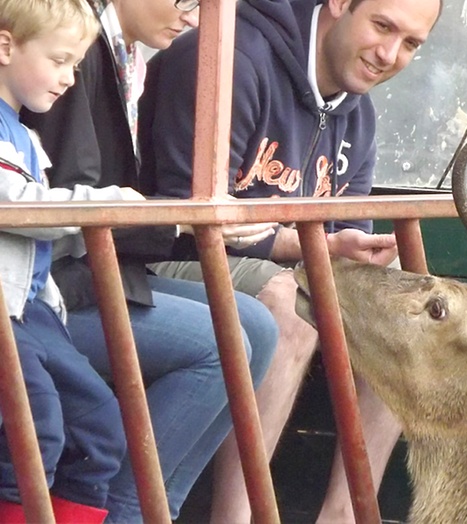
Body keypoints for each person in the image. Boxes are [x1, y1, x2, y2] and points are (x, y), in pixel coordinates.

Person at [139, 0, 442, 521]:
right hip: (157, 268)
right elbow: (183, 223)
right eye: (382, 26)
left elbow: (345, 241)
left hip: (273, 267)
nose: (389, 54)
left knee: (409, 311)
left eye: (411, 44)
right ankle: (238, 516)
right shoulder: (228, 57)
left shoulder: (358, 113)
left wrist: (354, 255)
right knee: (289, 303)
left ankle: (345, 515)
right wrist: (315, 247)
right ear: (340, 5)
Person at [20, 0, 281, 522]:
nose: (195, 12)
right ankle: (123, 512)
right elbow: (71, 197)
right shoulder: (76, 47)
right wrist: (183, 220)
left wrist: (194, 220)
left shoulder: (119, 52)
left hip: (95, 269)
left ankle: (158, 507)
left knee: (258, 326)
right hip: (48, 289)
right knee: (215, 345)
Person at [0, 0, 132, 521]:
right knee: (33, 429)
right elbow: (15, 202)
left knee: (98, 428)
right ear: (5, 46)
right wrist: (105, 204)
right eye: (59, 61)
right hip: (5, 314)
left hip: (33, 310)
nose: (69, 79)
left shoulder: (26, 136)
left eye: (75, 65)